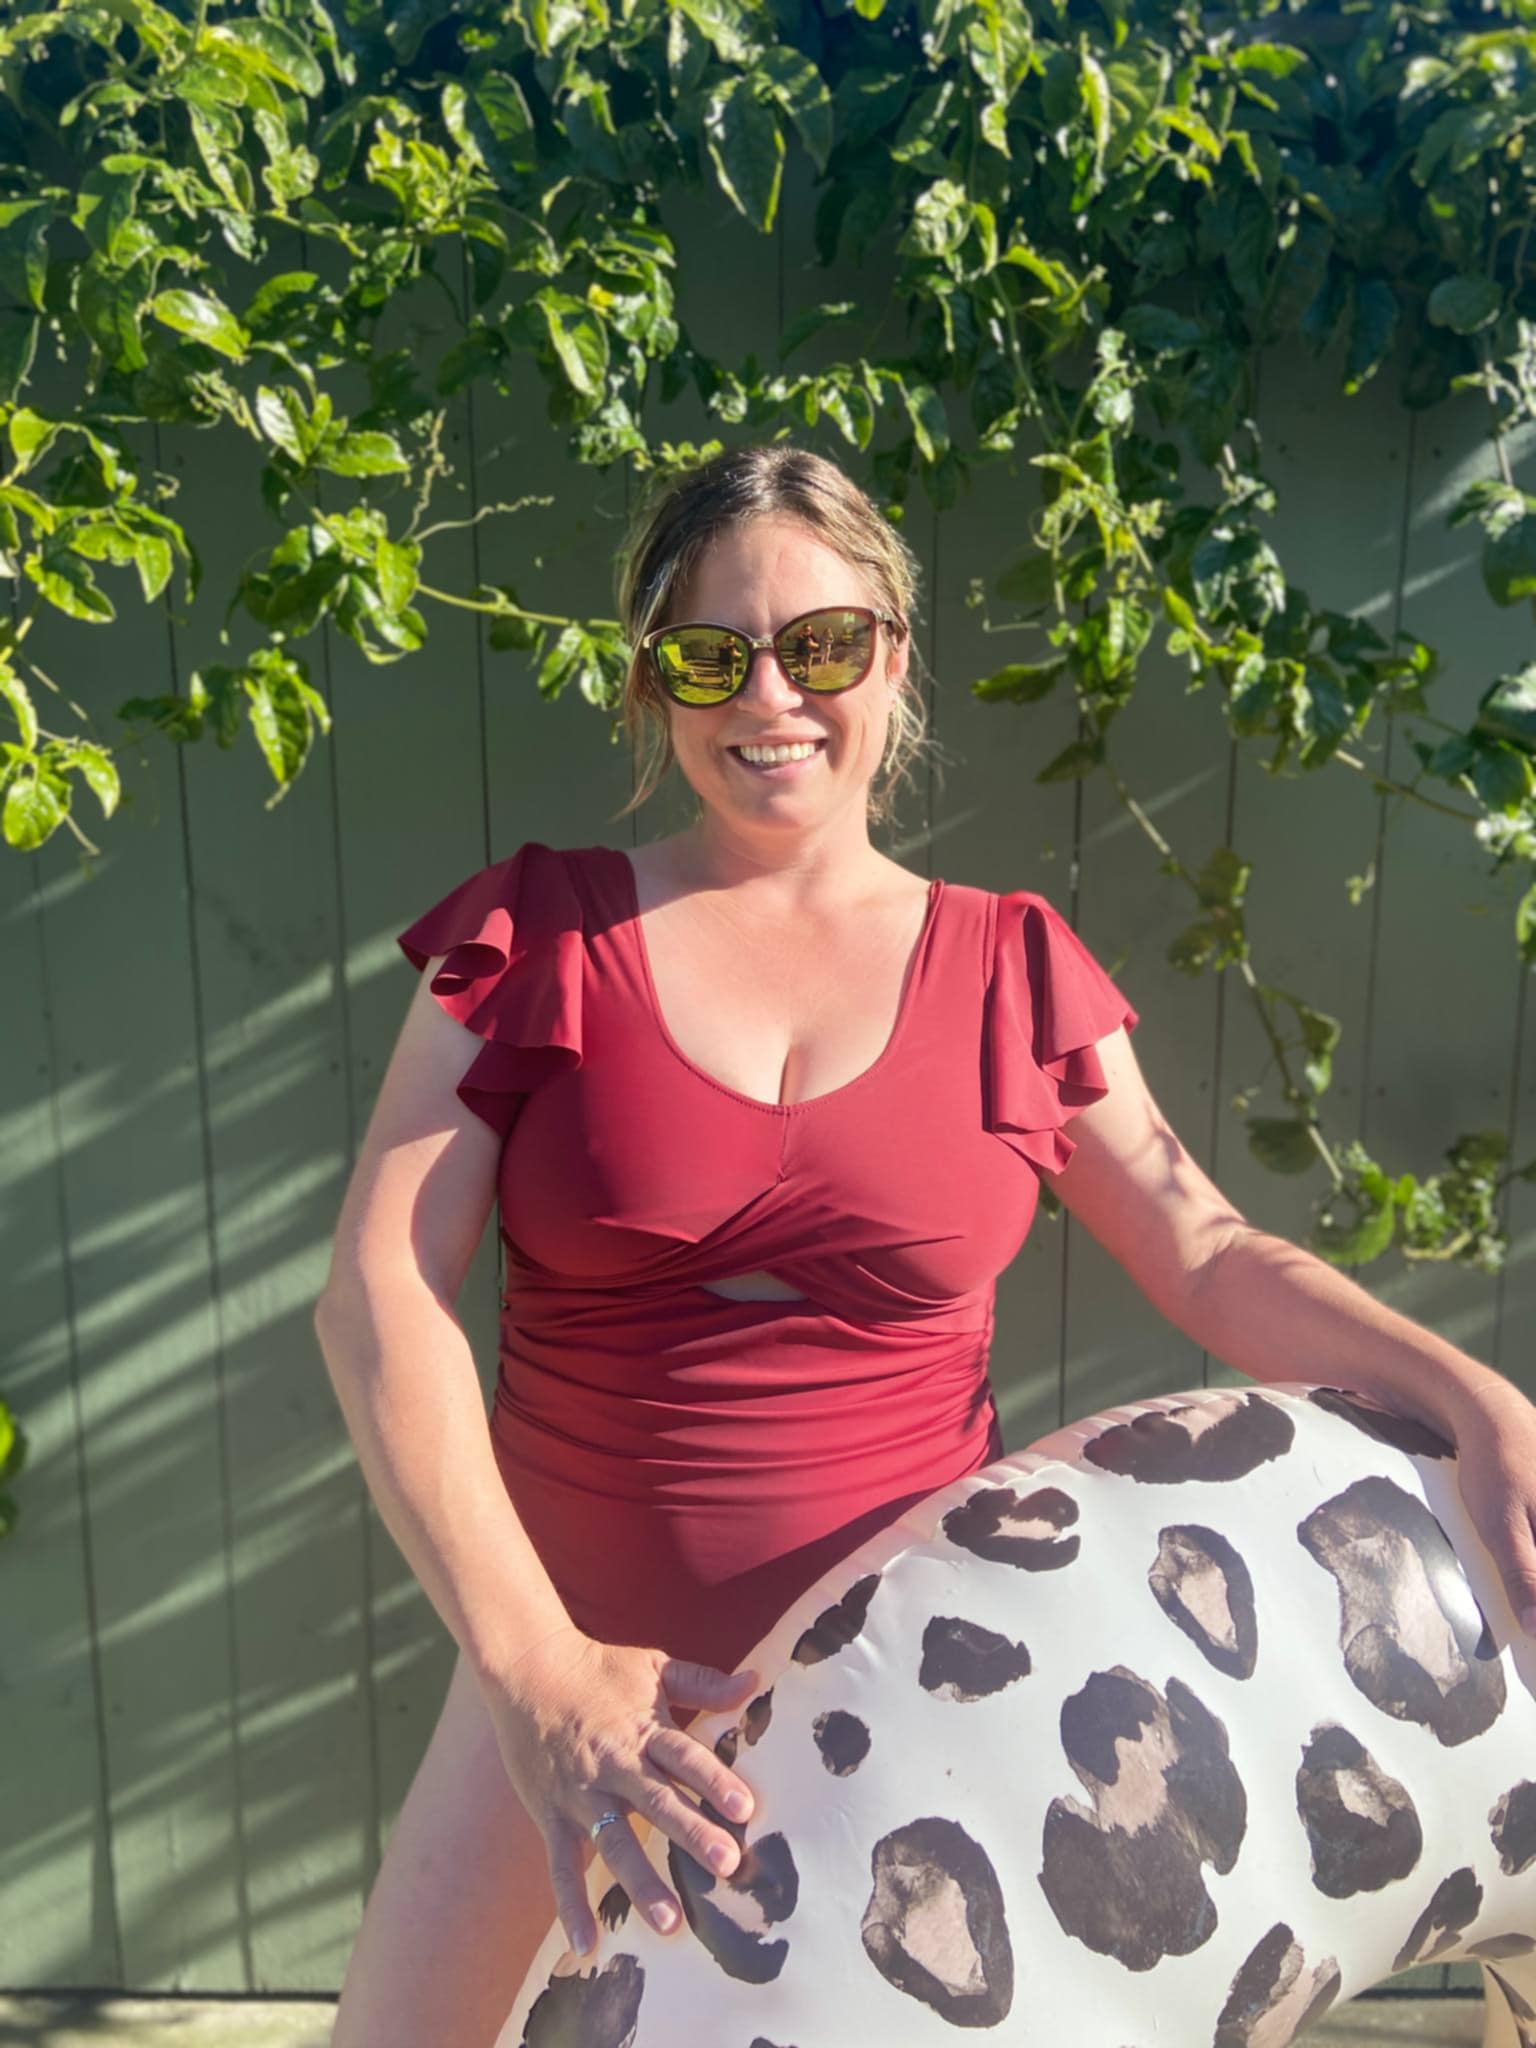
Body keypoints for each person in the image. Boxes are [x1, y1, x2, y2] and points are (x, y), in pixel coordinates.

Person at [314, 444, 1536, 2048]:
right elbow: (377, 1293)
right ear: (650, 684)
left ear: (894, 652)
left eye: (821, 644)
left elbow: (1211, 1250)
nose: (774, 696)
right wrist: (537, 1678)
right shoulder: (532, 937)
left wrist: (1475, 1401)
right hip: (583, 1704)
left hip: (921, 1709)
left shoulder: (1012, 969)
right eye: (711, 653)